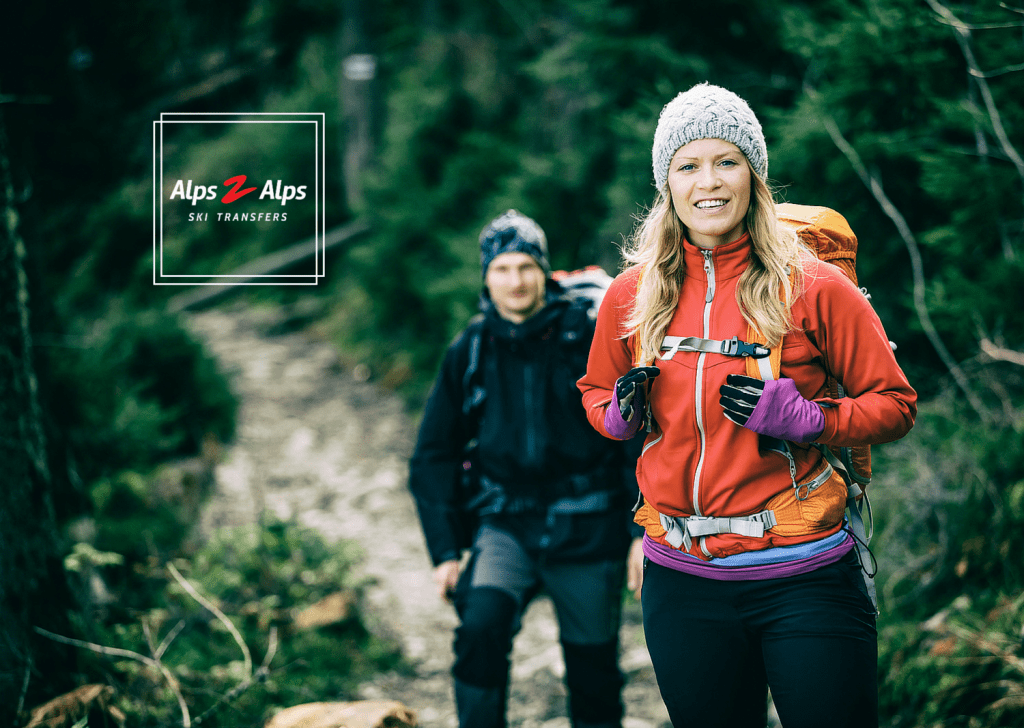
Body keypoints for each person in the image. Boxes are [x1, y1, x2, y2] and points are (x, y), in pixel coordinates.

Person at [577, 83, 918, 728]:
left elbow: (895, 403)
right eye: (688, 165)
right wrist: (618, 415)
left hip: (805, 574)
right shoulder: (631, 294)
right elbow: (594, 393)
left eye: (726, 161)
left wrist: (811, 420)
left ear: (754, 176)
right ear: (666, 183)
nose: (709, 182)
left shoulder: (815, 287)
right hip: (682, 583)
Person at [408, 209, 644, 728]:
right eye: (502, 269)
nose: (514, 281)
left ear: (543, 271)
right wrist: (445, 549)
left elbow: (634, 436)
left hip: (588, 525)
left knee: (593, 669)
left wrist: (638, 530)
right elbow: (433, 453)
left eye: (525, 267)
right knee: (479, 633)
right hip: (505, 526)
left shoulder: (587, 336)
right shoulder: (470, 348)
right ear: (486, 277)